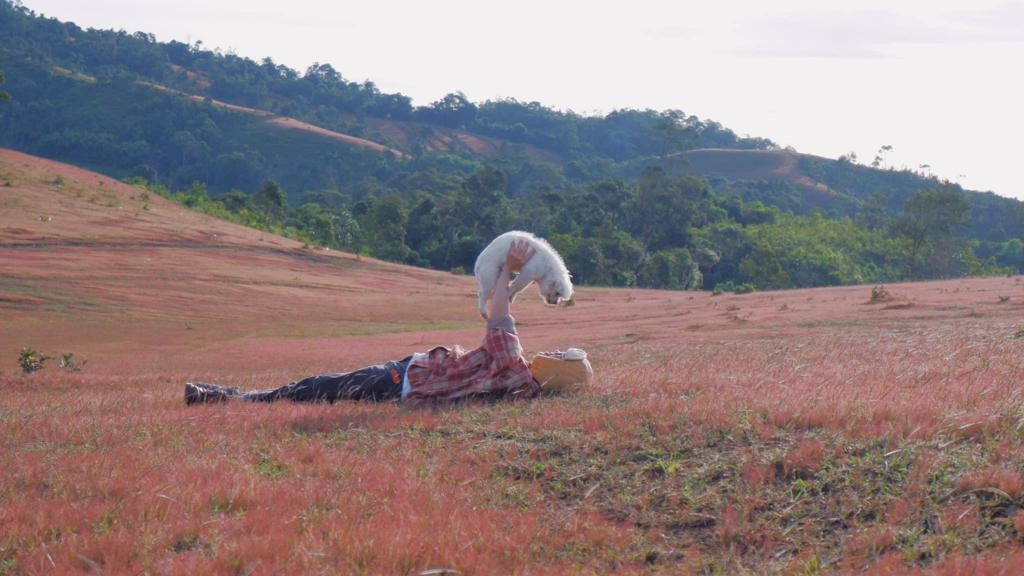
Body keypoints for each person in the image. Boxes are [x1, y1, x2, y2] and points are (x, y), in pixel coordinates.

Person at [184, 239, 592, 407]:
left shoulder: (515, 370)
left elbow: (501, 314)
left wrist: (511, 269)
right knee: (319, 387)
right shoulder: (520, 387)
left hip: (404, 380)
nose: (552, 352)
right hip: (407, 375)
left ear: (558, 372)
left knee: (315, 389)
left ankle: (225, 398)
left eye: (560, 356)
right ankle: (230, 396)